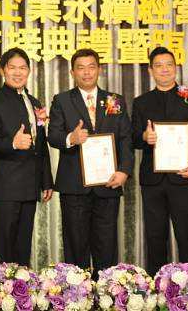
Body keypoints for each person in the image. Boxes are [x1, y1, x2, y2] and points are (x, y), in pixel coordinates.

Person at [47, 48, 133, 275]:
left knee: (107, 245)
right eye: (81, 68)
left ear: (99, 69)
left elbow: (126, 139)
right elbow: (53, 136)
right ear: (72, 72)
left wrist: (124, 171)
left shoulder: (115, 100)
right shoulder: (62, 100)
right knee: (76, 246)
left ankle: (107, 291)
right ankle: (78, 293)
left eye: (91, 67)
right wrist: (71, 138)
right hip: (74, 186)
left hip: (109, 183)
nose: (86, 72)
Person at [132, 46, 188, 275]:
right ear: (150, 71)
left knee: (186, 235)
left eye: (169, 64)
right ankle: (157, 285)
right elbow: (132, 138)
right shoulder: (141, 102)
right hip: (153, 180)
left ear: (176, 68)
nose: (164, 69)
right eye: (158, 66)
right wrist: (144, 137)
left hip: (184, 176)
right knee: (155, 237)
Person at [0, 47, 54, 265]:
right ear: (3, 70)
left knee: (23, 248)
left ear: (29, 71)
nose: (18, 72)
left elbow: (41, 144)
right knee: (2, 248)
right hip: (5, 187)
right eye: (12, 67)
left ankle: (20, 287)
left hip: (29, 186)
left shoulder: (34, 102)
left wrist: (46, 180)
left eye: (22, 68)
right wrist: (13, 143)